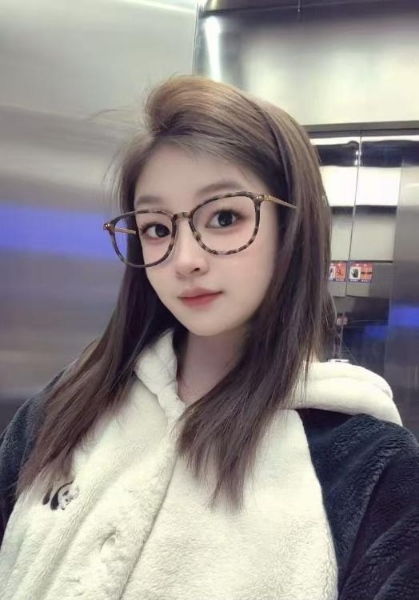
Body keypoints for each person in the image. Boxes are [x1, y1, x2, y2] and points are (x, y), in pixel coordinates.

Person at [0, 76, 418, 600]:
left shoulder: (369, 467)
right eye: (156, 228)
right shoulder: (70, 403)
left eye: (224, 217)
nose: (185, 259)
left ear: (292, 227)